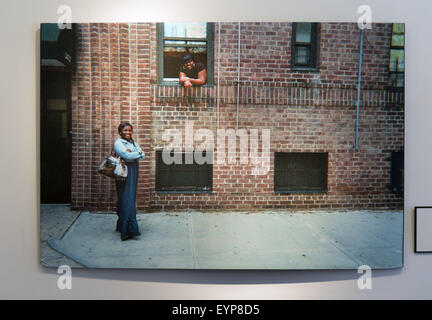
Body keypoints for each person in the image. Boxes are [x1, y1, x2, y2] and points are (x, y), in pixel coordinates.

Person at [114, 122, 145, 241]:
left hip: (133, 169)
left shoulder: (133, 142)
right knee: (125, 197)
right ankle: (126, 230)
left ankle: (126, 227)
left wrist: (134, 154)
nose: (128, 133)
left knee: (130, 197)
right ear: (120, 132)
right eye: (125, 130)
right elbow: (126, 156)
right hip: (124, 171)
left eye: (130, 130)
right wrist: (136, 153)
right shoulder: (118, 143)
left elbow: (144, 155)